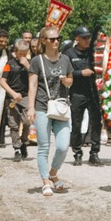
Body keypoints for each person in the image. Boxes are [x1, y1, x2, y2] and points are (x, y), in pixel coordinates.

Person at [27, 26, 76, 194]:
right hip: (42, 105)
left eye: (58, 39)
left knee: (63, 146)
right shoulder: (37, 61)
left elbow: (71, 80)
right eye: (52, 39)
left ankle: (53, 173)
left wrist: (66, 82)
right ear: (44, 41)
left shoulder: (65, 59)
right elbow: (32, 85)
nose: (56, 42)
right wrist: (31, 108)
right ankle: (45, 181)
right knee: (44, 146)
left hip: (61, 106)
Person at [66, 26, 103, 165]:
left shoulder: (93, 53)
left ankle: (94, 152)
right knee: (76, 124)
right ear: (77, 38)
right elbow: (65, 72)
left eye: (88, 37)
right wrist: (80, 73)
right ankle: (77, 153)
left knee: (96, 123)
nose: (87, 40)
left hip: (93, 93)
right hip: (77, 93)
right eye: (84, 38)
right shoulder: (69, 53)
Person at [2, 39, 33, 161]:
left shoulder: (30, 64)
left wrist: (27, 65)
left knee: (27, 122)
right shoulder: (9, 64)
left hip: (26, 96)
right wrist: (13, 93)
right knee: (13, 125)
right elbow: (2, 81)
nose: (23, 56)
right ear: (15, 52)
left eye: (25, 53)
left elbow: (36, 77)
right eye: (20, 53)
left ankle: (24, 141)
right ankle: (17, 148)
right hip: (12, 97)